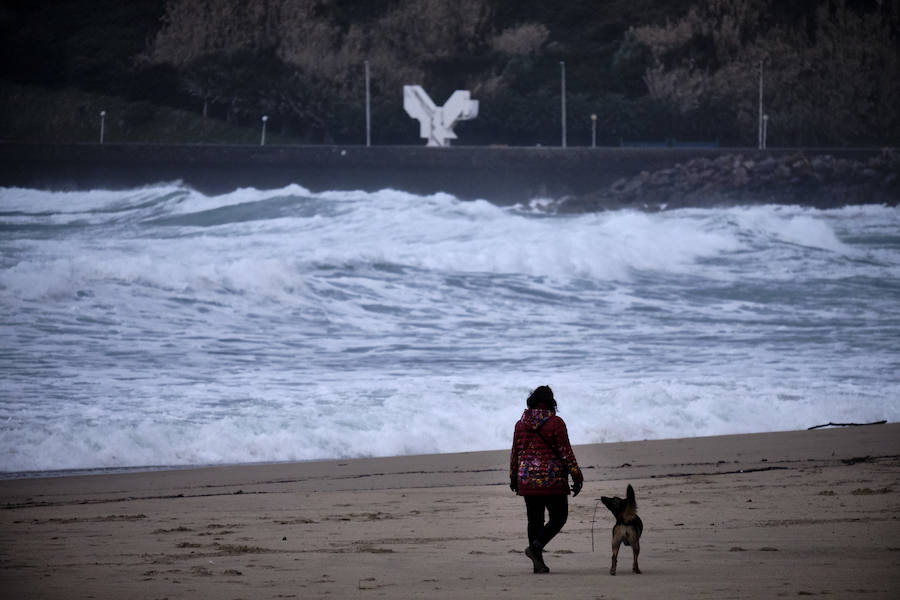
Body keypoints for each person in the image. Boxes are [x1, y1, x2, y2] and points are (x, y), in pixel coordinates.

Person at [509, 385, 583, 574]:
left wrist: (513, 477)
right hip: (552, 480)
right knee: (559, 517)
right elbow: (566, 453)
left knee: (535, 521)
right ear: (551, 402)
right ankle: (535, 549)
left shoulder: (520, 424)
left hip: (526, 479)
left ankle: (537, 563)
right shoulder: (556, 423)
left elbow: (515, 453)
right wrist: (577, 475)